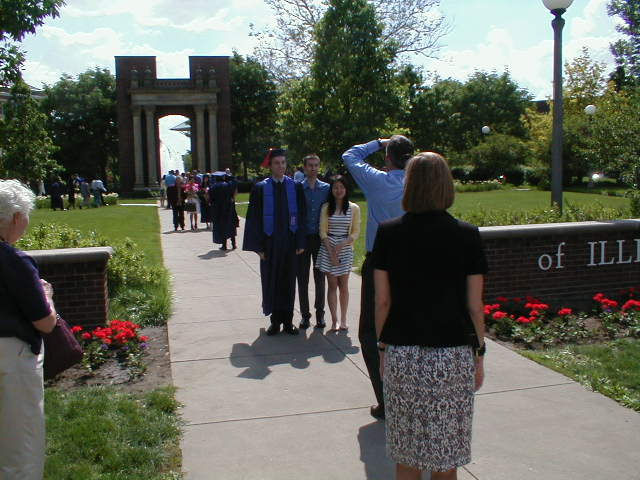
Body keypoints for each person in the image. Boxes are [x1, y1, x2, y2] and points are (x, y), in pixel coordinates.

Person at [372, 152, 487, 480]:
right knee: (445, 461)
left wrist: (382, 349)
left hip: (403, 355)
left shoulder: (388, 233)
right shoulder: (467, 235)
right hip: (451, 358)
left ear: (409, 185)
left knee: (406, 458)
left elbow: (382, 302)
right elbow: (475, 306)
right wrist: (479, 355)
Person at [342, 135, 414, 420]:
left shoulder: (377, 181)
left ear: (387, 158)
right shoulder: (417, 183)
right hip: (410, 263)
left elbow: (349, 155)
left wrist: (378, 141)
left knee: (371, 332)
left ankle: (386, 400)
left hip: (380, 262)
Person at [0, 179, 59, 479]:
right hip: (12, 360)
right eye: (25, 215)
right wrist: (47, 296)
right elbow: (45, 322)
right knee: (20, 446)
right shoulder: (14, 261)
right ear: (14, 217)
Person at [243, 148, 306, 335]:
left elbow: (301, 216)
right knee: (272, 281)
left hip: (290, 242)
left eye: (283, 163)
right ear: (270, 166)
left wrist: (300, 242)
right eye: (277, 163)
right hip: (270, 244)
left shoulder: (295, 187)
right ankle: (275, 321)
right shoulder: (261, 188)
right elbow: (253, 218)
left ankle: (288, 321)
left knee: (289, 282)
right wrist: (258, 247)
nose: (281, 166)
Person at [317, 175, 360, 331]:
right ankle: (334, 320)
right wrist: (332, 253)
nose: (339, 190)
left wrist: (342, 244)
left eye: (341, 187)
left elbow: (355, 232)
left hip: (345, 248)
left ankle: (343, 320)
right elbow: (322, 231)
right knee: (332, 285)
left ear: (346, 189)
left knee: (344, 286)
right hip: (328, 247)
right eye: (335, 187)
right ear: (332, 189)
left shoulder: (354, 208)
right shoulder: (326, 207)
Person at [296, 154, 330, 329]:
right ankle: (305, 315)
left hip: (320, 239)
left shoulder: (326, 188)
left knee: (320, 278)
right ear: (304, 167)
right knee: (302, 278)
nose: (314, 168)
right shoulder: (297, 188)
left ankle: (320, 315)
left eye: (316, 165)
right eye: (310, 165)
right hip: (302, 239)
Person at [210, 171, 238, 250]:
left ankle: (224, 245)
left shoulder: (213, 187)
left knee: (221, 226)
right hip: (229, 208)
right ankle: (233, 244)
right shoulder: (228, 185)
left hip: (218, 209)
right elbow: (233, 195)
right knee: (231, 226)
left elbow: (211, 199)